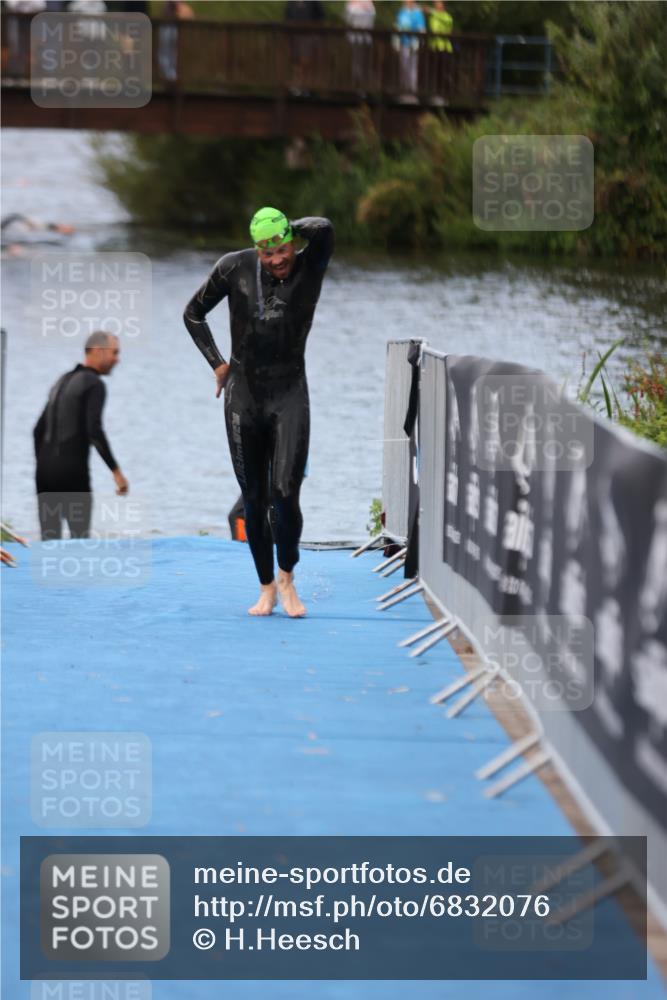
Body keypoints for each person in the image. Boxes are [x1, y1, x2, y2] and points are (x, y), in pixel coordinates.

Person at [183, 208, 334, 618]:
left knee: (285, 492)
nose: (277, 260)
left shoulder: (311, 266)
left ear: (291, 243)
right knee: (253, 498)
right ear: (256, 250)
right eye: (267, 254)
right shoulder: (233, 268)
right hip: (243, 398)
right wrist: (217, 364)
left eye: (282, 249)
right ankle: (265, 587)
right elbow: (192, 314)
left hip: (289, 394)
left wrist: (285, 229)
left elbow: (324, 228)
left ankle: (287, 577)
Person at [33, 331, 128, 540]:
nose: (117, 360)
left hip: (44, 474)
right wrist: (116, 472)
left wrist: (45, 464)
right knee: (79, 543)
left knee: (49, 543)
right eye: (114, 353)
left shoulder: (62, 380)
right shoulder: (94, 384)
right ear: (98, 351)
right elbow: (94, 430)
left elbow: (37, 430)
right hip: (73, 473)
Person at [394, 0, 426, 100]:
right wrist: (396, 41)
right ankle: (403, 90)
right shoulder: (401, 12)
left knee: (412, 68)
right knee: (403, 67)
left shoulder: (418, 13)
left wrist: (420, 40)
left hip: (413, 44)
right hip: (403, 43)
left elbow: (422, 29)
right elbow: (397, 27)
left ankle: (412, 91)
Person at [344, 0, 375, 94]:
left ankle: (359, 86)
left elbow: (347, 19)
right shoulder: (368, 4)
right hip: (359, 38)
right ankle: (358, 86)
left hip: (360, 38)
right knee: (360, 62)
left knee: (359, 62)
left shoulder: (354, 4)